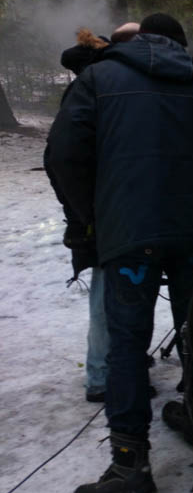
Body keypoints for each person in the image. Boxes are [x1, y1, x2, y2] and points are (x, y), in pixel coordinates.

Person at [46, 13, 193, 493]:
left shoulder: (99, 77)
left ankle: (129, 464)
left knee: (127, 345)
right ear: (178, 44)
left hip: (128, 231)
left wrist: (94, 215)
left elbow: (62, 154)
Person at [45, 23, 152, 404]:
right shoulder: (96, 86)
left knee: (119, 294)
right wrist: (89, 212)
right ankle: (102, 376)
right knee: (109, 295)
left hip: (113, 208)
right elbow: (63, 156)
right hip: (105, 212)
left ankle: (118, 366)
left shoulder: (100, 82)